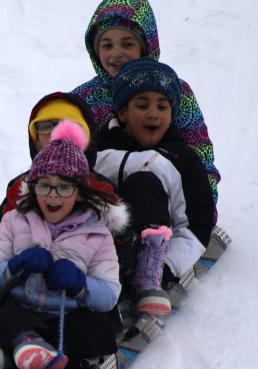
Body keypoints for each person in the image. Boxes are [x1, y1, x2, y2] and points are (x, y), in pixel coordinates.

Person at [0, 121, 129, 369]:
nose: (53, 195)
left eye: (64, 186)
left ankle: (17, 350)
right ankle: (27, 343)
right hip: (17, 311)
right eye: (44, 185)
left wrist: (80, 285)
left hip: (65, 318)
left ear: (79, 192)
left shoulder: (98, 234)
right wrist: (14, 266)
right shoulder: (15, 220)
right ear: (33, 186)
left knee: (102, 330)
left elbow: (109, 295)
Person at [70, 0, 222, 220]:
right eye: (107, 45)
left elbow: (199, 155)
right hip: (100, 205)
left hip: (162, 204)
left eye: (127, 44)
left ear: (145, 44)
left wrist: (204, 213)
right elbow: (65, 154)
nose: (117, 53)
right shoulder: (84, 98)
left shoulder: (171, 90)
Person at [93, 58, 210, 316]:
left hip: (149, 256)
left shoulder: (182, 159)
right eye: (142, 105)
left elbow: (196, 225)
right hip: (99, 250)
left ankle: (147, 274)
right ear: (122, 113)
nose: (153, 113)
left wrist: (166, 267)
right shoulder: (98, 149)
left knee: (143, 182)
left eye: (162, 106)